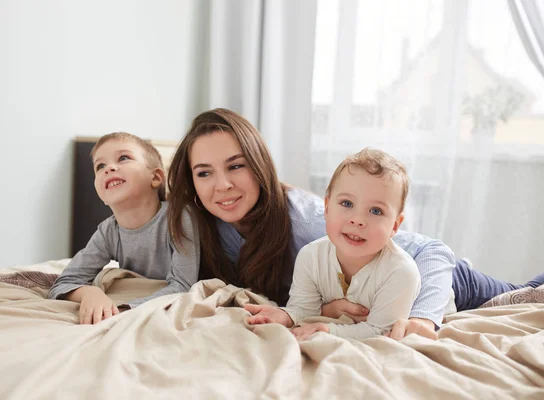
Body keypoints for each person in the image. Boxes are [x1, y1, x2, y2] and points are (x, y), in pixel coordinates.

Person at [167, 108, 544, 340]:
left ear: (260, 163)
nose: (223, 185)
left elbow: (433, 252)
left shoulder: (312, 224)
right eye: (204, 173)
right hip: (371, 293)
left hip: (438, 281)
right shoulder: (203, 225)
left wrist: (423, 320)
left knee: (525, 296)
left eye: (236, 166)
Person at [248, 148, 421, 341]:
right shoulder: (310, 257)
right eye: (347, 204)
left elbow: (381, 331)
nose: (357, 220)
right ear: (327, 208)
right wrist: (286, 316)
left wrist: (328, 330)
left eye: (375, 211)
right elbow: (304, 309)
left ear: (395, 225)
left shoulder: (400, 272)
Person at [49, 132, 200, 324]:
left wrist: (123, 310)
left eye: (123, 158)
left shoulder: (179, 217)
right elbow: (63, 283)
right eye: (100, 166)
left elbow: (183, 285)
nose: (109, 168)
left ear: (155, 177)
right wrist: (90, 293)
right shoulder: (107, 231)